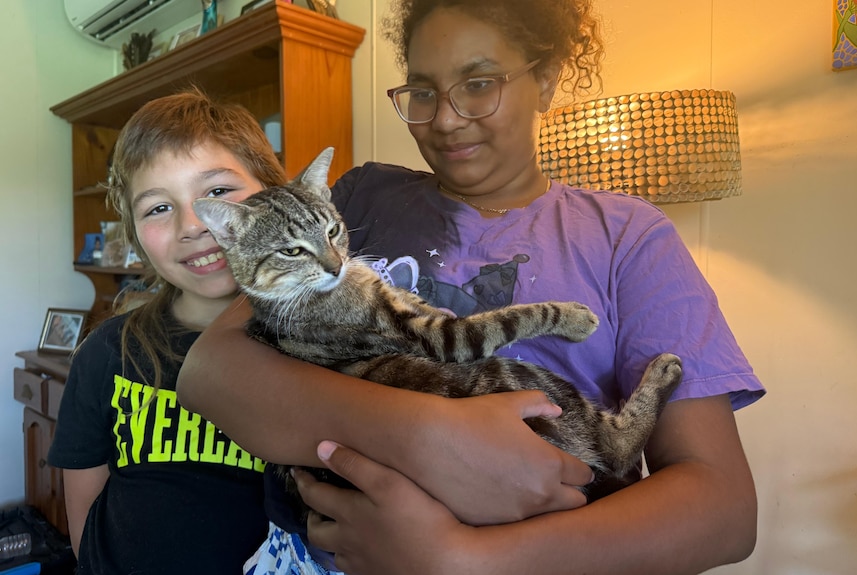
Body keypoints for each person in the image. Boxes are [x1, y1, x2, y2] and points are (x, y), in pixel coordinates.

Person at [176, 1, 766, 574]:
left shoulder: (628, 236)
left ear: (549, 78)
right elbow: (211, 373)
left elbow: (725, 512)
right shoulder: (359, 196)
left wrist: (464, 561)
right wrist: (425, 436)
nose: (446, 118)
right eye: (423, 91)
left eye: (479, 83)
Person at [47, 88, 286, 574]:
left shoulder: (316, 350)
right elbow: (84, 526)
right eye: (158, 207)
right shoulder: (105, 353)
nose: (193, 225)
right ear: (135, 236)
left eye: (218, 192)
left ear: (274, 192)